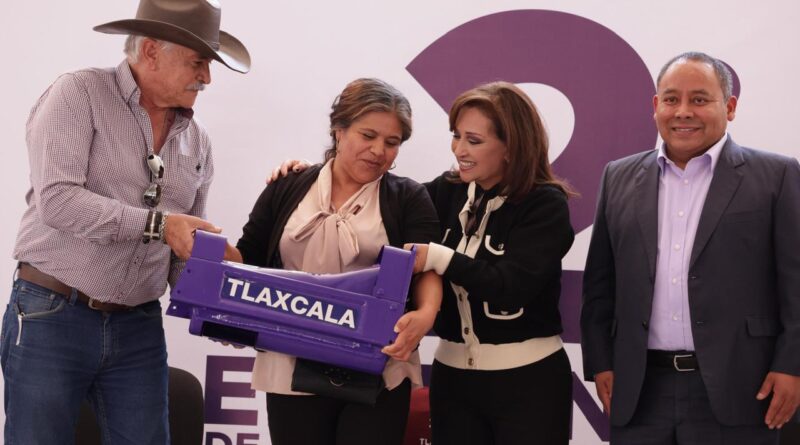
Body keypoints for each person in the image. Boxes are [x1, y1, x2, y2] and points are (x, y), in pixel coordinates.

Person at [269, 81, 576, 444]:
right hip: (453, 381)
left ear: (512, 147)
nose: (459, 150)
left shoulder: (545, 204)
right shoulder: (442, 192)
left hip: (530, 380)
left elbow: (511, 287)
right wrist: (312, 177)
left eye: (474, 141)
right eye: (456, 136)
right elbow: (375, 198)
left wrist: (440, 257)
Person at [0, 0, 250, 443]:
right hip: (51, 313)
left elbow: (181, 251)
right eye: (198, 62)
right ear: (151, 51)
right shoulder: (79, 93)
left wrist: (220, 305)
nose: (207, 78)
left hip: (138, 327)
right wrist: (161, 225)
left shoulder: (198, 142)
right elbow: (58, 201)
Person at [580, 52, 800, 444]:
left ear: (729, 107)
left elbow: (796, 284)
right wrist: (600, 362)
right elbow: (600, 284)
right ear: (656, 106)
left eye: (699, 99)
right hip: (640, 390)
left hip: (742, 388)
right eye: (671, 99)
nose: (683, 111)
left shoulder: (777, 176)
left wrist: (792, 365)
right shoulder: (618, 176)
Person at [224, 78, 442, 445]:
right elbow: (248, 258)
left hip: (379, 367)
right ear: (338, 131)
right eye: (368, 135)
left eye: (392, 143)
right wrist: (204, 246)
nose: (378, 151)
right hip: (291, 362)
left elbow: (426, 267)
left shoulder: (408, 197)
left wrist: (426, 314)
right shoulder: (288, 185)